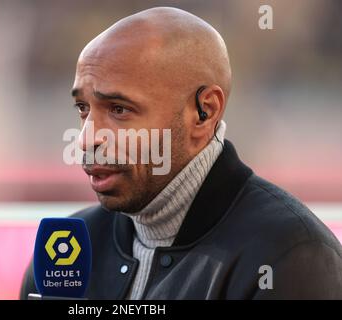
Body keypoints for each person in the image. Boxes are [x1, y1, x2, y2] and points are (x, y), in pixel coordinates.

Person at [20, 7, 342, 299]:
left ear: (204, 112)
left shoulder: (291, 254)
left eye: (119, 109)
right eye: (83, 108)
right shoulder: (69, 248)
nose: (87, 140)